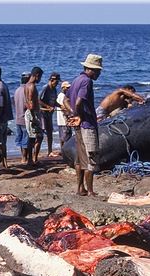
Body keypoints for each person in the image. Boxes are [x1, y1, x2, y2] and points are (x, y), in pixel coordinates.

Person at [63, 53, 103, 198]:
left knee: (79, 158)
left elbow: (66, 100)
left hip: (79, 124)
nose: (99, 73)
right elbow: (79, 101)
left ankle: (80, 188)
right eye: (98, 70)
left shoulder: (76, 80)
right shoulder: (87, 81)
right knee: (91, 156)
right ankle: (90, 191)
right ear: (91, 69)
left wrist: (73, 113)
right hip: (87, 124)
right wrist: (79, 115)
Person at [24, 66, 44, 165]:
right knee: (39, 136)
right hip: (33, 113)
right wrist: (34, 118)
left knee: (31, 137)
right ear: (36, 76)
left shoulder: (26, 85)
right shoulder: (32, 86)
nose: (40, 80)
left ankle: (29, 159)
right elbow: (31, 103)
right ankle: (34, 159)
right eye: (40, 77)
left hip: (28, 113)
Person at [39, 72, 61, 157]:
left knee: (50, 132)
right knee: (40, 133)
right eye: (56, 82)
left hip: (49, 115)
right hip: (42, 114)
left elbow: (54, 101)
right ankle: (36, 152)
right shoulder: (45, 88)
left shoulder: (54, 90)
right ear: (51, 80)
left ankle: (50, 151)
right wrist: (47, 106)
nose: (57, 84)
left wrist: (60, 106)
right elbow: (38, 100)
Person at [14, 71, 31, 164]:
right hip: (25, 118)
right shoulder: (27, 90)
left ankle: (23, 157)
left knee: (20, 138)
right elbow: (27, 105)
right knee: (26, 139)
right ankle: (25, 158)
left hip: (18, 118)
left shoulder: (17, 90)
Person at [56, 81, 72, 149]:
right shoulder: (62, 96)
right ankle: (65, 151)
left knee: (62, 138)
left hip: (61, 121)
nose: (69, 89)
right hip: (64, 121)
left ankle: (62, 150)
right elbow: (63, 108)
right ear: (63, 88)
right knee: (66, 138)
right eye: (67, 87)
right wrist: (68, 118)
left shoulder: (60, 96)